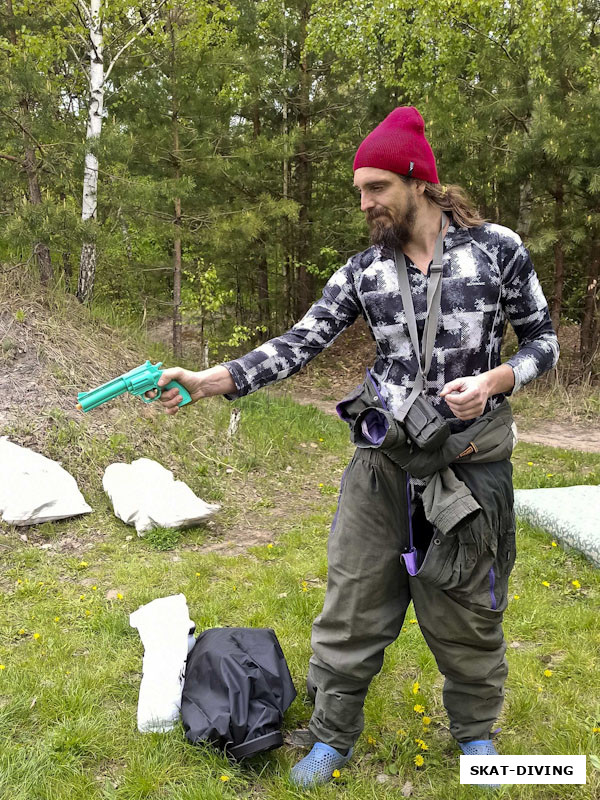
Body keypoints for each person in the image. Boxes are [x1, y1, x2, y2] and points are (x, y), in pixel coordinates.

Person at [155, 107, 559, 788]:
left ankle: (477, 737)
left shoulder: (497, 249)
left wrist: (495, 380)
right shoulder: (364, 271)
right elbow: (299, 343)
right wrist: (212, 381)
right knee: (351, 604)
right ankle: (333, 736)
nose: (365, 203)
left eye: (375, 188)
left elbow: (543, 341)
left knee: (468, 609)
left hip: (468, 469)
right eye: (359, 192)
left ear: (417, 181)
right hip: (382, 465)